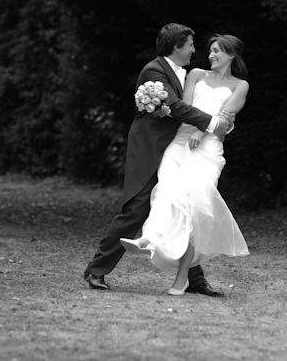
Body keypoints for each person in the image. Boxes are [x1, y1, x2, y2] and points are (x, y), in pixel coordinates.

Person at [84, 23, 232, 296]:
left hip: (177, 149)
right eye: (189, 45)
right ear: (176, 46)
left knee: (186, 206)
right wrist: (213, 123)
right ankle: (96, 270)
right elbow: (176, 107)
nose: (193, 50)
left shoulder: (185, 73)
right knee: (137, 209)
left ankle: (193, 279)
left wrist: (223, 117)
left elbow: (191, 105)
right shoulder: (154, 70)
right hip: (150, 149)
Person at [120, 34, 250, 295]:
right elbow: (185, 107)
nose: (211, 55)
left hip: (209, 147)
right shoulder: (196, 75)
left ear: (231, 55)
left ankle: (183, 279)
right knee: (167, 190)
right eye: (210, 50)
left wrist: (202, 132)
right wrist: (195, 127)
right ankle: (149, 238)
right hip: (180, 141)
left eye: (217, 51)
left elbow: (225, 119)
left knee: (195, 208)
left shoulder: (240, 85)